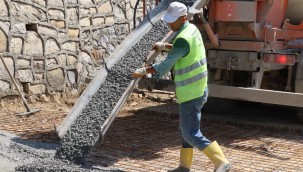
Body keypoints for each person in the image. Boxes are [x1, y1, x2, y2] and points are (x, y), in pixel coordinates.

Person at [132, 2, 231, 172]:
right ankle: (184, 167)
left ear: (183, 18)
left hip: (191, 93)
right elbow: (183, 50)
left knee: (190, 132)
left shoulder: (183, 38)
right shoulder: (191, 30)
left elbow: (164, 67)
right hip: (197, 89)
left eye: (173, 21)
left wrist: (141, 71)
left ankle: (221, 162)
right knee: (185, 129)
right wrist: (165, 47)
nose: (169, 24)